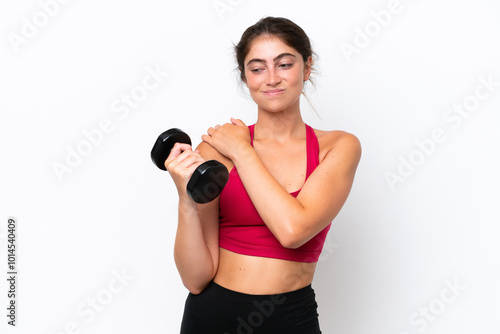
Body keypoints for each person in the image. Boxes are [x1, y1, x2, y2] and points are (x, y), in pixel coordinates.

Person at [165, 16, 361, 334]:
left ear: (307, 67)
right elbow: (195, 278)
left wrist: (244, 151)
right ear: (245, 77)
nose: (271, 79)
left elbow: (293, 231)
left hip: (290, 319)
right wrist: (186, 198)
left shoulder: (338, 147)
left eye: (284, 64)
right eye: (257, 68)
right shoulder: (216, 150)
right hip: (210, 317)